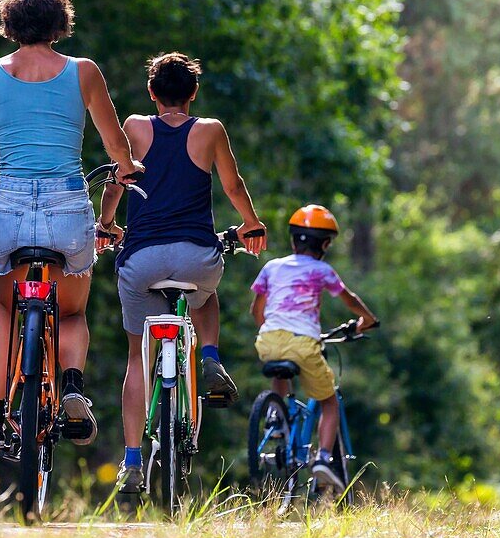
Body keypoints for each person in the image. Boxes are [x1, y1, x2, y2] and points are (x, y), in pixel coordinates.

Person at [0, 0, 144, 450]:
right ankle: (72, 386)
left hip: (10, 206)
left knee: (3, 306)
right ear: (60, 21)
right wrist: (127, 167)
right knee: (73, 311)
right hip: (66, 208)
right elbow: (114, 139)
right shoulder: (84, 72)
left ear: (9, 20)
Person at [96, 52, 268, 493]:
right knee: (205, 295)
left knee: (137, 357)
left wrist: (105, 225)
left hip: (141, 259)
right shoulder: (210, 131)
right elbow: (232, 185)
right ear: (193, 93)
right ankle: (209, 358)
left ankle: (133, 459)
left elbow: (117, 182)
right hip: (196, 256)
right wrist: (250, 223)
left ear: (152, 93)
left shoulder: (133, 127)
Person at [250, 204, 377, 489]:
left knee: (280, 369)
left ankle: (277, 418)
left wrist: (268, 329)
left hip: (269, 340)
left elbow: (257, 310)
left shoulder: (272, 267)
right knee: (328, 401)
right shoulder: (322, 270)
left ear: (293, 239)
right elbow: (349, 299)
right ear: (325, 244)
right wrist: (367, 319)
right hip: (304, 344)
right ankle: (321, 459)